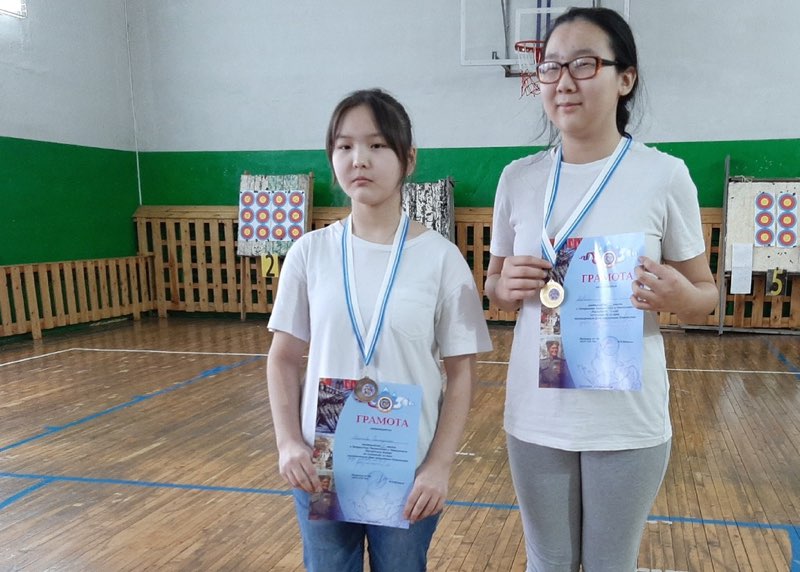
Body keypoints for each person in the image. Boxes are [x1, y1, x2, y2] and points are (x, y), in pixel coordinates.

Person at [485, 8, 717, 571]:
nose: (563, 81)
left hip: (625, 418)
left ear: (625, 78)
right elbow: (494, 284)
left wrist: (679, 298)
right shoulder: (518, 178)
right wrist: (502, 285)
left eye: (584, 64)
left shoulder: (665, 176)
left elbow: (705, 295)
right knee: (548, 561)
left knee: (611, 564)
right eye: (551, 66)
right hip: (537, 416)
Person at [267, 88, 492, 572]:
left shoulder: (442, 259)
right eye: (344, 146)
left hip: (409, 472)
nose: (359, 159)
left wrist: (438, 466)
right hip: (322, 465)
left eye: (376, 145)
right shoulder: (309, 253)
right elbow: (282, 357)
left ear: (408, 158)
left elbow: (462, 373)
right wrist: (288, 443)